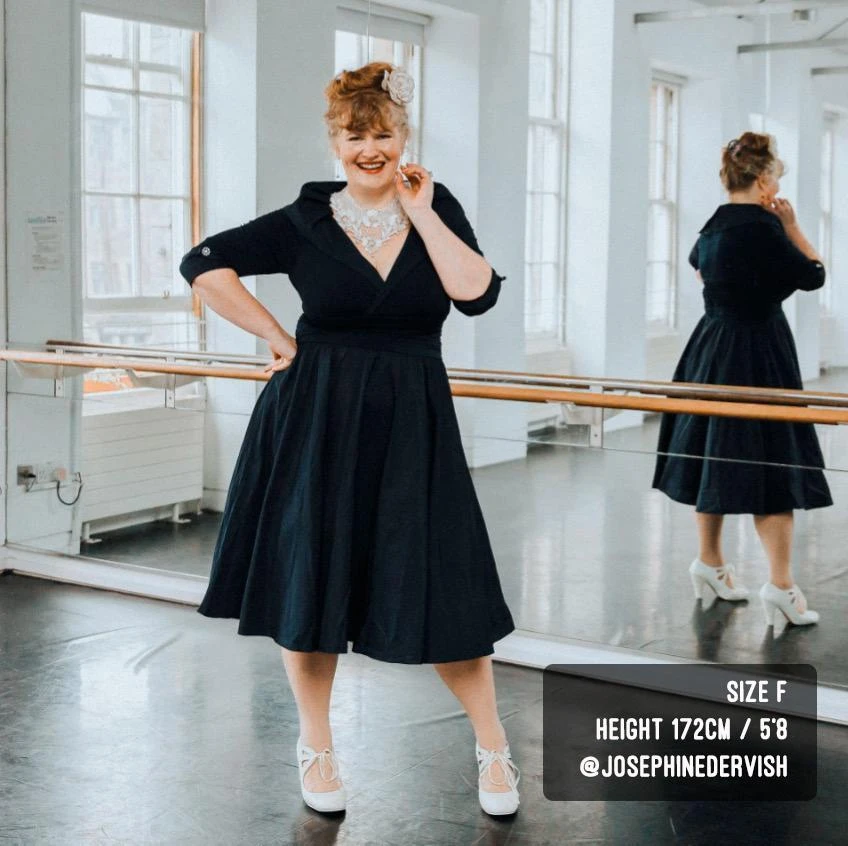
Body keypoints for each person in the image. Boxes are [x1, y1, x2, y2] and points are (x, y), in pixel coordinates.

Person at [178, 62, 519, 817]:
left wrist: (422, 212)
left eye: (384, 135)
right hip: (316, 417)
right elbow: (201, 263)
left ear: (404, 138)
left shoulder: (437, 206)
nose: (371, 149)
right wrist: (275, 336)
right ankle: (317, 744)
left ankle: (494, 746)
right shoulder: (305, 219)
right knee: (312, 581)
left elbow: (477, 294)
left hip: (413, 421)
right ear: (335, 142)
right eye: (355, 137)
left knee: (444, 582)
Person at [652, 131, 831, 629]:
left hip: (711, 347)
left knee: (713, 453)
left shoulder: (713, 226)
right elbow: (814, 274)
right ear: (764, 180)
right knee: (771, 465)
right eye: (778, 177)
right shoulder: (766, 228)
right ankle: (781, 586)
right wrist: (792, 226)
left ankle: (709, 563)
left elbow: (700, 270)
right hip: (759, 351)